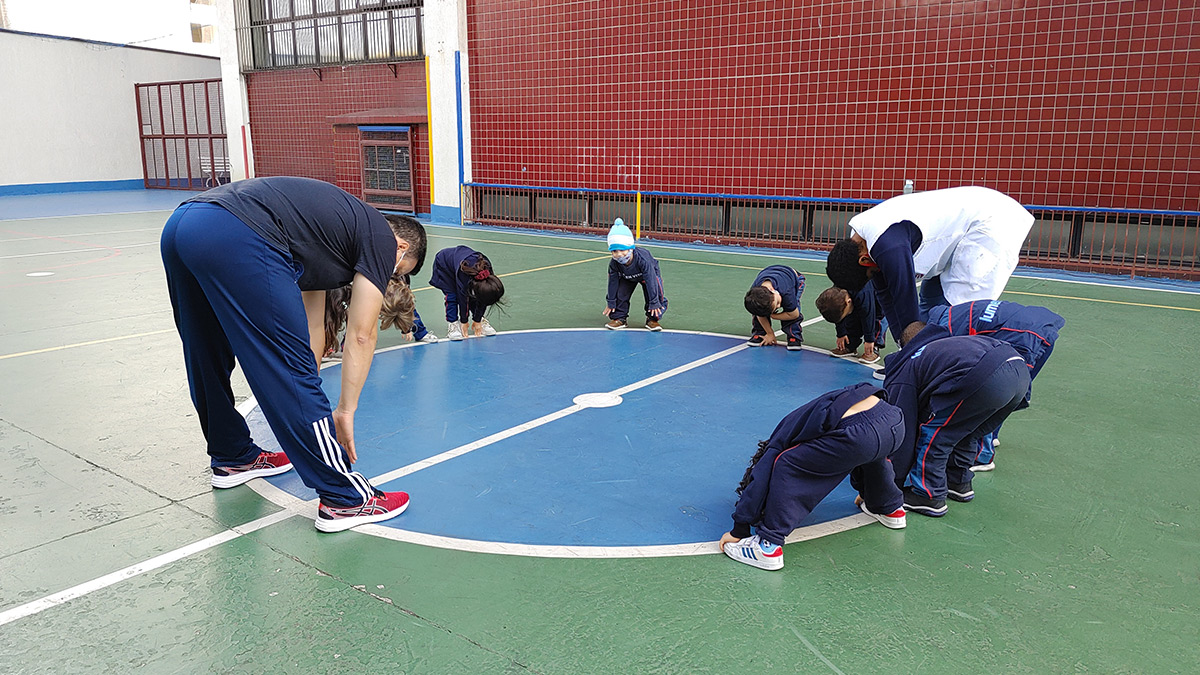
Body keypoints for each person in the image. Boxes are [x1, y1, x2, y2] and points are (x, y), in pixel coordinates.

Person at [159, 176, 426, 532]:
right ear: (401, 248)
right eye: (397, 271)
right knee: (287, 367)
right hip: (239, 231)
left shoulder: (328, 235)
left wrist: (306, 391)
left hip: (184, 224)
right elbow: (362, 335)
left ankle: (232, 455)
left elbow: (312, 330)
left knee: (205, 350)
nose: (389, 277)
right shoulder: (380, 237)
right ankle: (344, 498)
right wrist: (344, 411)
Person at [719, 383, 907, 571]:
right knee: (869, 449)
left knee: (787, 462)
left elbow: (764, 471)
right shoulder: (817, 411)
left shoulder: (784, 432)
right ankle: (889, 508)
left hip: (859, 434)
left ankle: (768, 546)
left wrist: (740, 528)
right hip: (893, 421)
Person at [824, 186, 1034, 344]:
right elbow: (885, 295)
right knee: (931, 298)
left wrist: (911, 349)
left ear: (863, 261)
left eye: (870, 273)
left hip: (991, 223)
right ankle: (919, 357)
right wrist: (902, 345)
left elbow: (904, 299)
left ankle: (943, 366)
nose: (875, 274)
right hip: (958, 233)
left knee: (958, 310)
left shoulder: (888, 246)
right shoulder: (860, 242)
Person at [882, 321, 1030, 517]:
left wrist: (891, 483)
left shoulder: (909, 362)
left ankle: (928, 495)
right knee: (966, 430)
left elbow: (904, 427)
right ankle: (958, 481)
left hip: (985, 374)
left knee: (937, 434)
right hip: (1019, 372)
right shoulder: (949, 344)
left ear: (904, 346)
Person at [926, 299, 1065, 471]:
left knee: (987, 393)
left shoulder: (946, 329)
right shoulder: (955, 313)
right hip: (1042, 330)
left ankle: (982, 455)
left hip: (1023, 336)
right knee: (1008, 391)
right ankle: (992, 437)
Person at [603, 219, 667, 331]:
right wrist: (611, 302)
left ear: (630, 248)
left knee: (655, 293)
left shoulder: (643, 260)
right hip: (627, 276)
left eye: (622, 250)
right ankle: (620, 318)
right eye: (614, 251)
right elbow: (612, 282)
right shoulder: (614, 263)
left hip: (647, 275)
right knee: (620, 293)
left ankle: (652, 319)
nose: (619, 254)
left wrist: (654, 302)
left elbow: (651, 280)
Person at [429, 246, 505, 340]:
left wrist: (477, 319)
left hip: (461, 263)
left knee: (477, 295)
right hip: (445, 263)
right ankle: (453, 325)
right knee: (452, 296)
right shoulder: (464, 274)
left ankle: (481, 321)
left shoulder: (487, 270)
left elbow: (482, 299)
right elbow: (463, 299)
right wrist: (464, 321)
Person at [815, 285, 886, 363]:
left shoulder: (862, 293)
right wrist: (841, 333)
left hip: (879, 293)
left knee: (877, 318)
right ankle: (851, 345)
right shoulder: (836, 292)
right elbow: (838, 315)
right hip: (857, 292)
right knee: (851, 316)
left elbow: (868, 314)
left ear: (848, 301)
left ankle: (874, 348)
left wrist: (869, 340)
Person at [744, 265, 806, 350]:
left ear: (772, 290)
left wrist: (773, 315)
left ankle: (794, 336)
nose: (779, 306)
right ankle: (760, 333)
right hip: (771, 273)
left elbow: (794, 314)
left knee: (792, 307)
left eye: (777, 303)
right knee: (757, 309)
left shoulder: (786, 292)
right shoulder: (755, 294)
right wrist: (770, 333)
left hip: (795, 278)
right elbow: (760, 315)